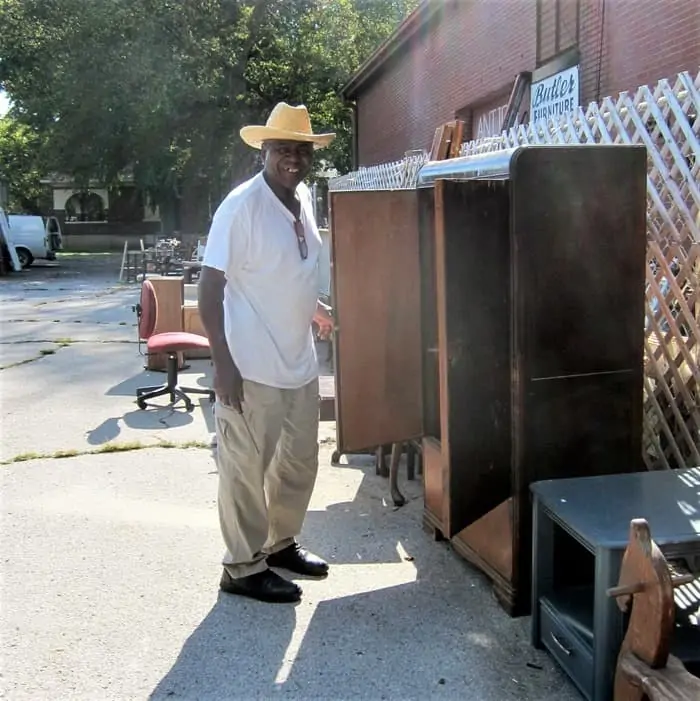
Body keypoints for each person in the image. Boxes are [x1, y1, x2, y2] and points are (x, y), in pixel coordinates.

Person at [198, 103, 335, 604]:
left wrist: (314, 306)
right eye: (283, 149)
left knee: (298, 464)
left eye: (301, 149)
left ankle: (279, 546)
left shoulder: (302, 199)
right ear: (264, 151)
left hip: (298, 363)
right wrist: (223, 364)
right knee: (244, 470)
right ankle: (241, 566)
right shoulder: (241, 206)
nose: (293, 158)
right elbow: (209, 289)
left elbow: (286, 270)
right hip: (250, 366)